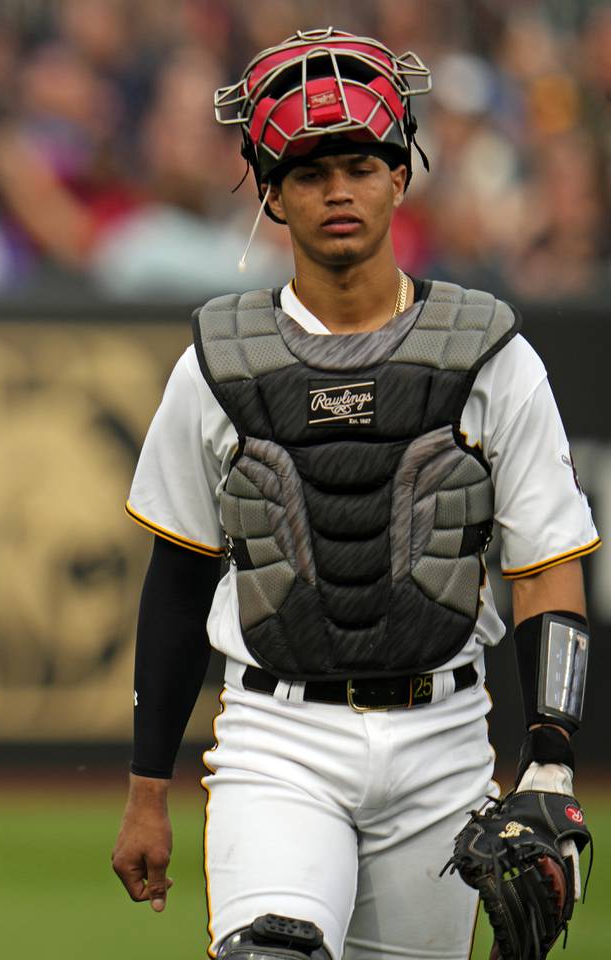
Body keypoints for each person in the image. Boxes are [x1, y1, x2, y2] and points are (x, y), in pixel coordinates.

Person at [110, 28, 598, 959]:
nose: (339, 189)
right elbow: (177, 580)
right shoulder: (214, 365)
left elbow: (548, 567)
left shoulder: (492, 354)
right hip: (276, 737)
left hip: (445, 737)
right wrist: (145, 790)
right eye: (310, 169)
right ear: (271, 190)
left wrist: (549, 758)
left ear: (400, 176)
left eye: (363, 164)